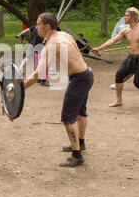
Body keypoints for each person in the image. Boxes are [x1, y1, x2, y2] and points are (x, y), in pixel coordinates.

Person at [22, 13, 94, 167]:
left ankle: (77, 156)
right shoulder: (64, 35)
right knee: (80, 112)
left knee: (68, 117)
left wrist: (21, 88)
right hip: (87, 74)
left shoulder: (51, 45)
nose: (36, 27)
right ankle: (80, 143)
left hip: (79, 79)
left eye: (38, 24)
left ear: (47, 27)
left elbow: (37, 75)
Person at [92, 7, 139, 107]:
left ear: (133, 17)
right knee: (119, 75)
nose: (124, 17)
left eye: (126, 16)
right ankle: (118, 100)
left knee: (138, 83)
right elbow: (112, 41)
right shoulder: (125, 31)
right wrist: (98, 49)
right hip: (131, 58)